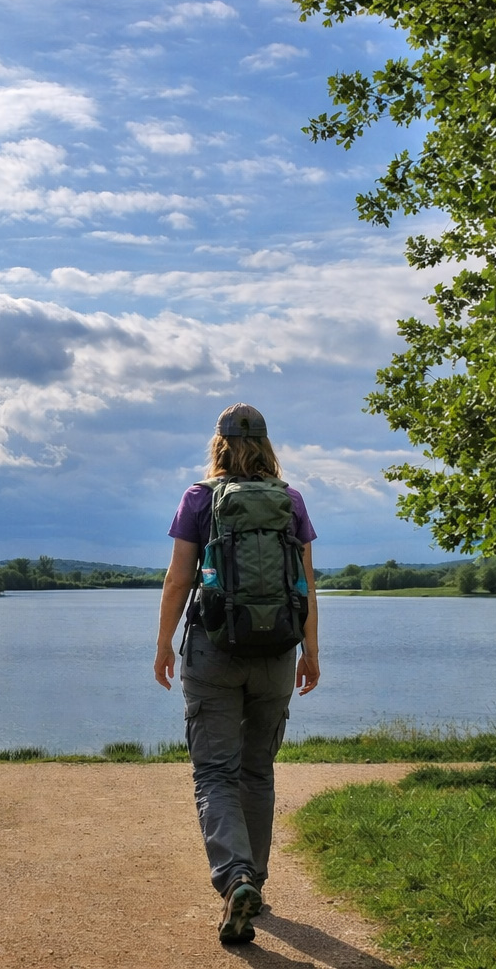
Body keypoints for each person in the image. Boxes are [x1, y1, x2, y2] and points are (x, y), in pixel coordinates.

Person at [154, 402, 320, 945]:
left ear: (218, 444)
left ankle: (235, 878)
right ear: (268, 445)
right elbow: (305, 587)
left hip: (215, 651)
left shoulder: (200, 498)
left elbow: (179, 580)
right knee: (257, 771)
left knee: (215, 774)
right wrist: (310, 653)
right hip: (276, 651)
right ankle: (255, 883)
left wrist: (163, 644)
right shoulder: (289, 499)